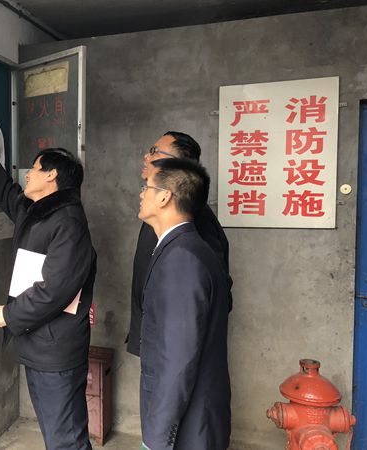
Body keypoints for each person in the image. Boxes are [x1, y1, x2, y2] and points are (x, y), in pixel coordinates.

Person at [0, 114, 96, 450]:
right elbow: (2, 187)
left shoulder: (68, 223)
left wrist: (10, 314)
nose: (28, 174)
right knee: (56, 434)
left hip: (55, 350)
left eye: (34, 169)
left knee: (66, 439)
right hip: (40, 345)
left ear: (51, 175)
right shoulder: (37, 211)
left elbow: (54, 290)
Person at [137, 157, 231, 449]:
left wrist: (157, 438)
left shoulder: (182, 258)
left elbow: (176, 359)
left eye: (147, 186)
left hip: (189, 425)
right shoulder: (185, 248)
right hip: (193, 416)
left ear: (164, 196)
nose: (141, 193)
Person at [126, 131, 232, 357]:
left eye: (154, 152)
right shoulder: (157, 210)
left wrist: (178, 341)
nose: (147, 156)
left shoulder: (194, 218)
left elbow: (214, 289)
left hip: (173, 347)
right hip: (155, 339)